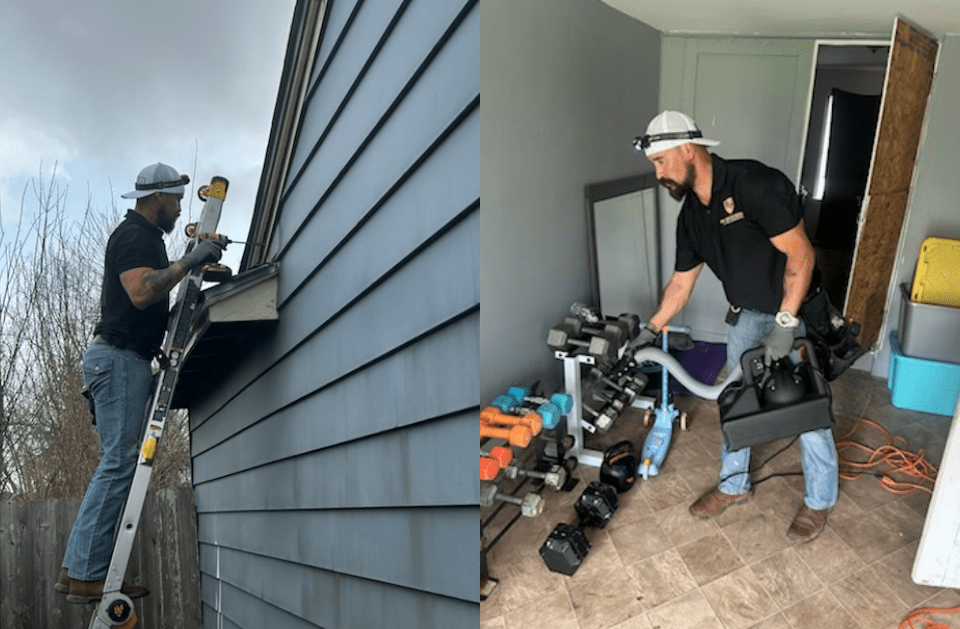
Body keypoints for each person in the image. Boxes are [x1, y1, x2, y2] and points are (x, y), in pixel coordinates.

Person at [631, 111, 839, 542]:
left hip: (792, 312)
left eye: (661, 161)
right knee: (736, 401)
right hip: (746, 317)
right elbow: (681, 282)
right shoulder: (690, 216)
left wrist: (785, 324)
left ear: (689, 149)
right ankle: (733, 485)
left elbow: (801, 257)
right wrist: (651, 329)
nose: (658, 173)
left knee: (804, 409)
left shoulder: (755, 184)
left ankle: (819, 500)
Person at [57, 163, 226, 603]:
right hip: (118, 360)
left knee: (116, 463)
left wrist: (193, 270)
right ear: (158, 199)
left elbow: (149, 302)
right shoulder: (135, 236)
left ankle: (75, 569)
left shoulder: (148, 238)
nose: (179, 208)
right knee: (119, 462)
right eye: (175, 200)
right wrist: (190, 259)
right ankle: (89, 574)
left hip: (120, 360)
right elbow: (139, 291)